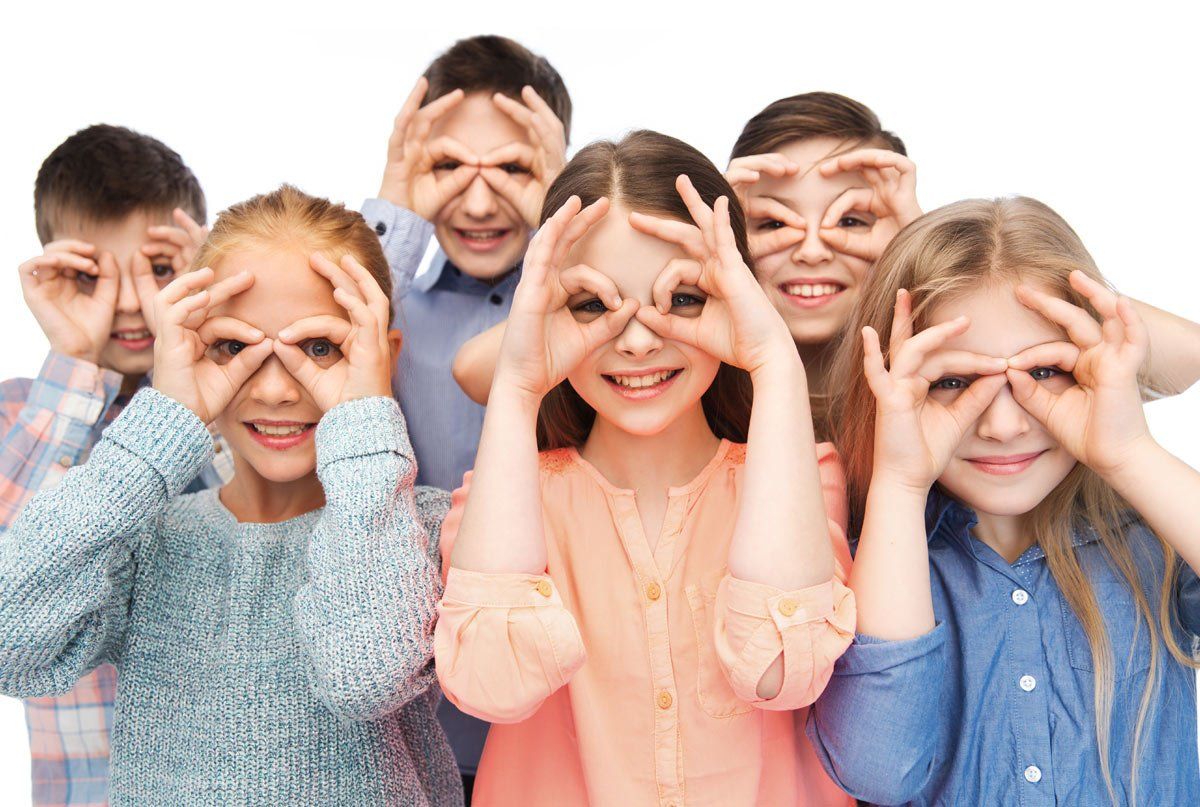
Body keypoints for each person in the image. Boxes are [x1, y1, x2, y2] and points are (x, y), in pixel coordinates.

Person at [0, 186, 460, 806]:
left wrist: (365, 416)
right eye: (234, 347)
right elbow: (12, 643)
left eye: (319, 347)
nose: (274, 390)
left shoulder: (422, 528)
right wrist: (163, 420)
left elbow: (365, 673)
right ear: (188, 348)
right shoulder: (152, 537)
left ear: (382, 356)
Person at [434, 131, 855, 805]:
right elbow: (490, 683)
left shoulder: (810, 477)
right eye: (592, 303)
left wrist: (772, 360)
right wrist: (517, 384)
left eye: (682, 298)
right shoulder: (501, 501)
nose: (634, 339)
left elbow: (779, 670)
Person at [809, 196, 1200, 805]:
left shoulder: (1157, 538)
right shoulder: (873, 560)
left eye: (1042, 371)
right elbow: (881, 772)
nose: (1002, 425)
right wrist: (900, 482)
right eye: (952, 381)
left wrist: (1128, 451)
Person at [360, 36, 572, 785]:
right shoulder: (390, 312)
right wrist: (393, 201)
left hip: (569, 724)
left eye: (514, 169)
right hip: (416, 726)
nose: (480, 202)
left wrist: (563, 218)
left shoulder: (591, 307)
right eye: (448, 166)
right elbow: (324, 333)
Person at [0, 123, 219, 807]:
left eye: (159, 271)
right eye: (93, 275)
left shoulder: (239, 403)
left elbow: (256, 512)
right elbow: (15, 575)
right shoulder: (24, 413)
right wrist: (71, 361)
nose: (130, 302)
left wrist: (201, 342)